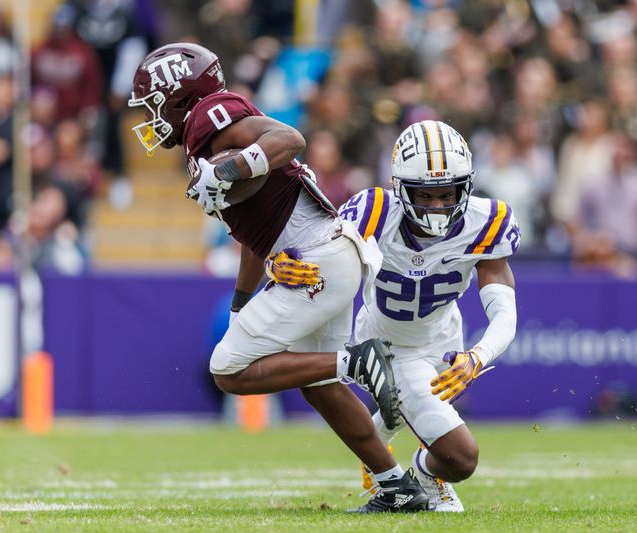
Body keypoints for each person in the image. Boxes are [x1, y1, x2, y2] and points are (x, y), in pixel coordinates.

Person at [127, 42, 427, 513]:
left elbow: (289, 138)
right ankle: (396, 486)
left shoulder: (211, 115)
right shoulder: (203, 134)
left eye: (153, 103)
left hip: (318, 264)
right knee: (318, 384)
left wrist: (229, 167)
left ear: (180, 96)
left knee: (226, 369)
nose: (149, 116)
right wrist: (241, 306)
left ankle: (355, 362)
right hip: (325, 258)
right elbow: (253, 237)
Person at [338, 120, 519, 511]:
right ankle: (409, 474)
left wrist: (477, 357)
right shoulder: (374, 210)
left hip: (444, 341)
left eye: (447, 194)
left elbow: (505, 313)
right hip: (388, 345)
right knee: (460, 456)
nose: (437, 206)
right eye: (425, 195)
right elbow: (325, 263)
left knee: (406, 412)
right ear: (401, 188)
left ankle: (396, 462)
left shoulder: (486, 220)